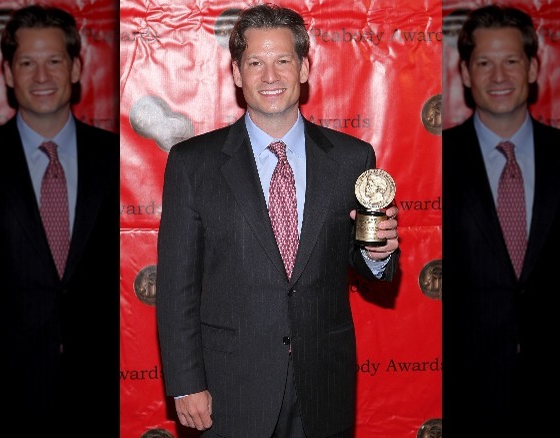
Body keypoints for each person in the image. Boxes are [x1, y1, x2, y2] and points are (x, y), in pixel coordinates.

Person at [156, 4, 399, 437]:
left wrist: (378, 254)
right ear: (236, 73)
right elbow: (177, 286)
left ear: (304, 67)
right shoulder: (194, 163)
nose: (270, 76)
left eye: (283, 60)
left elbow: (362, 261)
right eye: (255, 63)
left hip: (323, 382)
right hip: (231, 386)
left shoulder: (352, 159)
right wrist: (185, 382)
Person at [0, 5, 119, 437]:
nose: (42, 76)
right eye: (27, 63)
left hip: (96, 392)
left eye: (54, 61)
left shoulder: (116, 158)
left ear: (75, 68)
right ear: (9, 75)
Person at [442, 5, 560, 437]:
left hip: (554, 384)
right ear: (466, 75)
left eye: (511, 61)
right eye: (484, 63)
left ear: (533, 68)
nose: (499, 76)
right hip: (466, 386)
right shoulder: (439, 159)